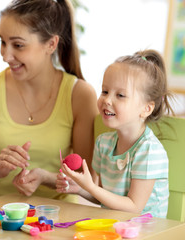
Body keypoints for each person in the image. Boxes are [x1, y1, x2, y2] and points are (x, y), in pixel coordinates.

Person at [0, 0, 98, 201]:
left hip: (60, 220)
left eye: (18, 45)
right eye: (3, 42)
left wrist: (46, 178)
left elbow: (89, 184)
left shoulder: (80, 95)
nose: (6, 55)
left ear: (51, 44)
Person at [56, 49, 173, 218]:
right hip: (114, 226)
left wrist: (91, 187)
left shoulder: (149, 151)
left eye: (120, 95)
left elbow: (133, 207)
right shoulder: (103, 143)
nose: (107, 100)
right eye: (104, 91)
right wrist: (80, 189)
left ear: (146, 108)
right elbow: (105, 198)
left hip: (148, 232)